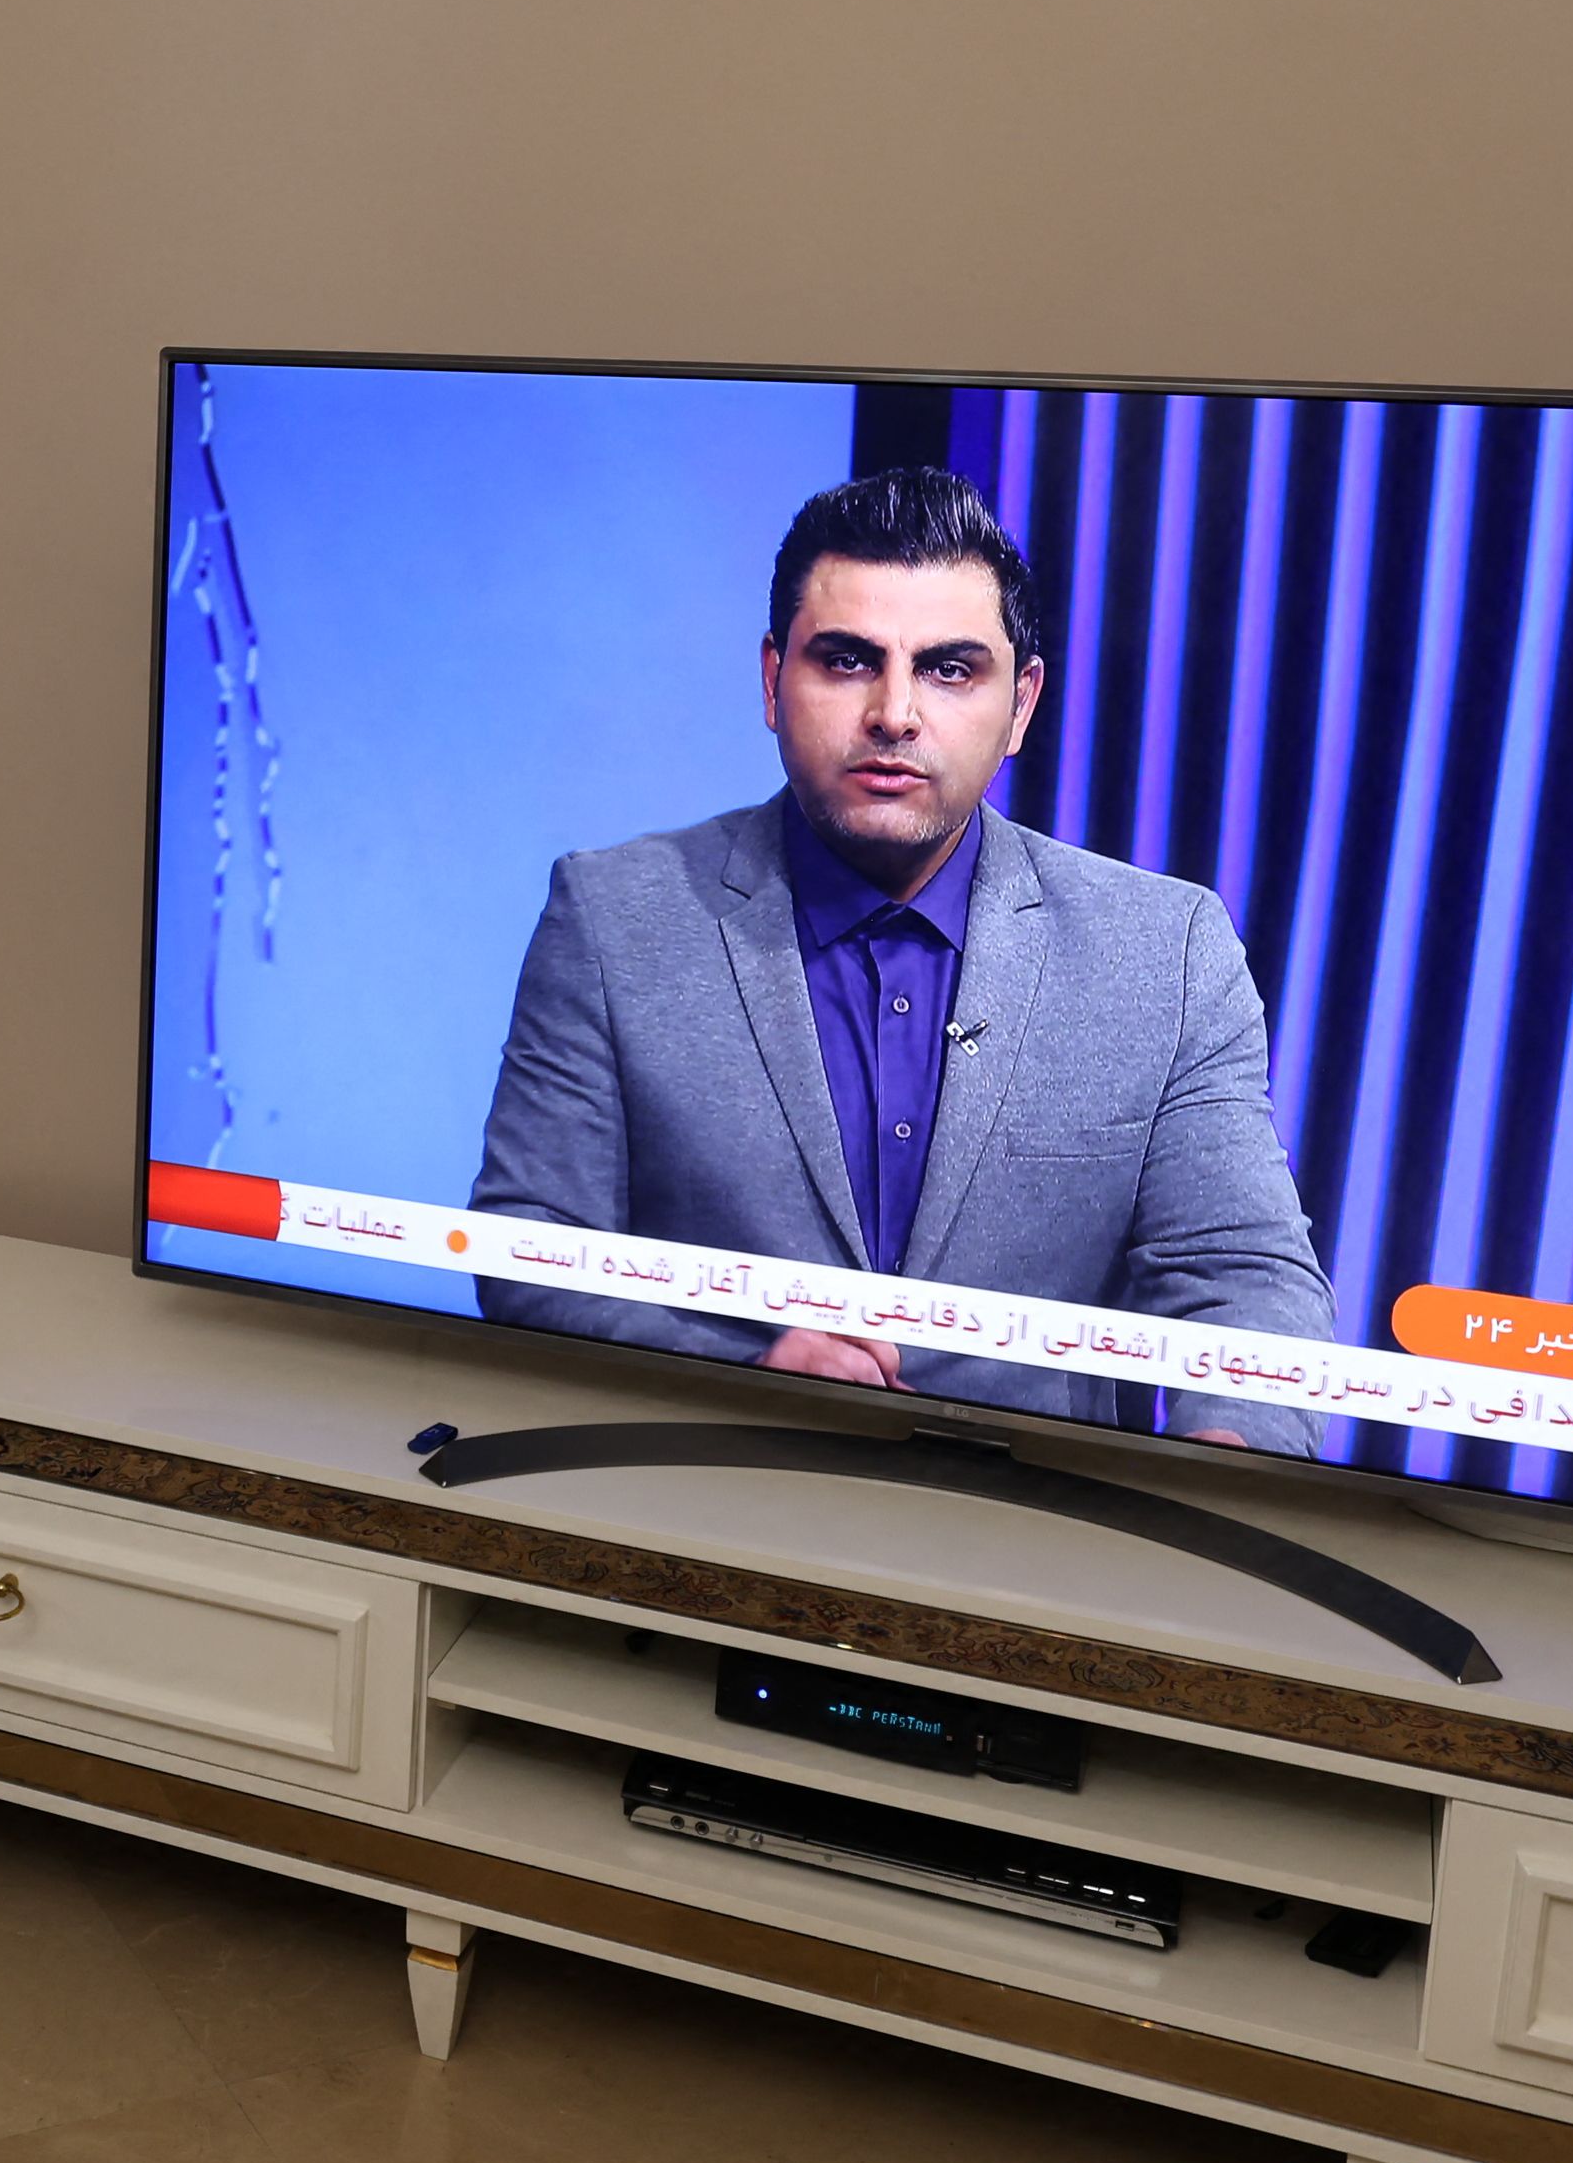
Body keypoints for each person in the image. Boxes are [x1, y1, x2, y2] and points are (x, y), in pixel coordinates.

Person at [466, 464, 1329, 1451]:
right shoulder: (614, 915)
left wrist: (1233, 1456)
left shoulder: (1166, 949)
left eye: (950, 668)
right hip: (702, 1497)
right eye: (846, 660)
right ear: (771, 680)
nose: (895, 712)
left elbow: (1242, 1270)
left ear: (1021, 704)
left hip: (1040, 1546)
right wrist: (735, 1376)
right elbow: (533, 1248)